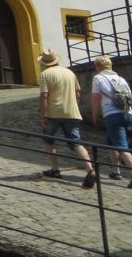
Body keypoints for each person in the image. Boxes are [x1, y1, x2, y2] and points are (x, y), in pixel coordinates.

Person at [37, 48, 97, 188]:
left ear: (44, 62)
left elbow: (44, 96)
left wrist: (43, 115)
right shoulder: (69, 72)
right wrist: (73, 106)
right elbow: (78, 92)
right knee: (76, 142)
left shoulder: (45, 74)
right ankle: (90, 170)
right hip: (71, 113)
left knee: (49, 141)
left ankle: (55, 170)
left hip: (53, 113)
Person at [91, 55, 132, 189]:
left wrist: (94, 115)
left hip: (112, 115)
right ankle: (116, 171)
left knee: (121, 146)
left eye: (96, 66)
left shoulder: (98, 78)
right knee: (111, 142)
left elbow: (96, 99)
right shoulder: (121, 79)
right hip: (127, 113)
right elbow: (131, 99)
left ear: (98, 66)